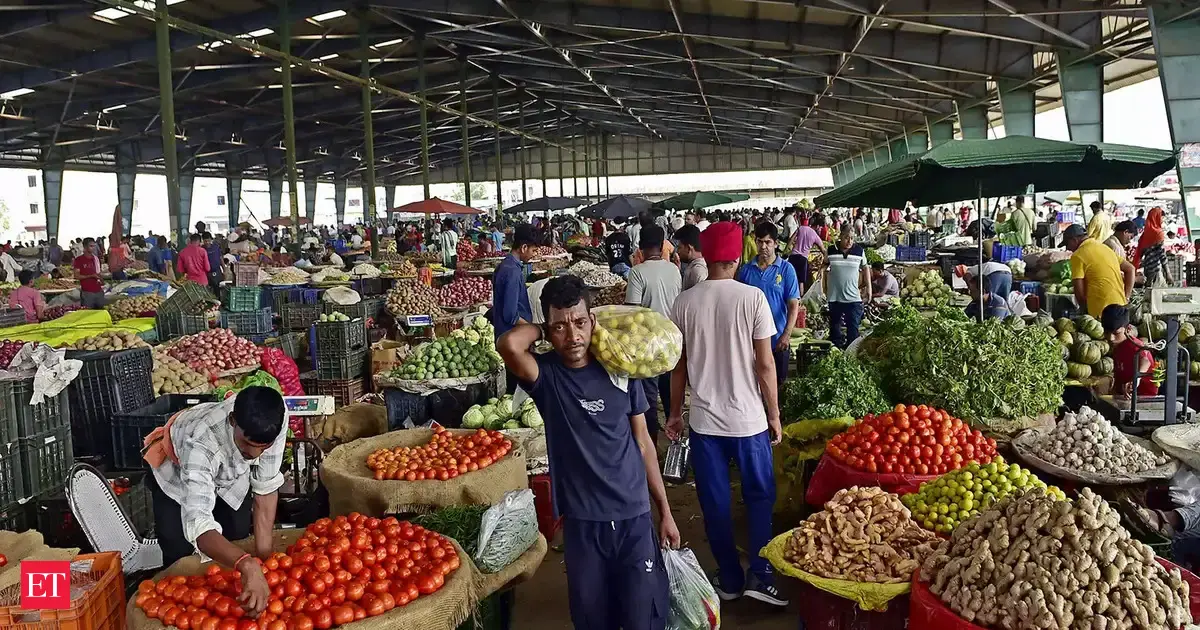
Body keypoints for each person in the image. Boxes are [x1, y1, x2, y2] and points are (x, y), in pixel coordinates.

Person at [498, 276, 678, 630]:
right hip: (584, 523)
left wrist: (665, 512)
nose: (573, 336)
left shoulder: (620, 370)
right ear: (549, 331)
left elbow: (643, 444)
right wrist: (544, 327)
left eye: (580, 322)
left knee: (643, 617)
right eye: (561, 327)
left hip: (634, 516)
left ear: (593, 320)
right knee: (593, 618)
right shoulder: (547, 378)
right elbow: (509, 344)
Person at [666, 221, 787, 608]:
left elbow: (678, 367)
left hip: (704, 423)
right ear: (737, 257)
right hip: (748, 420)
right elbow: (765, 366)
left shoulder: (684, 302)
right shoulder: (752, 298)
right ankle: (762, 576)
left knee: (714, 502)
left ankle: (730, 578)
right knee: (759, 496)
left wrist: (673, 413)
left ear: (705, 254)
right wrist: (774, 413)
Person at [144, 387, 286, 616]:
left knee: (236, 534)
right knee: (178, 549)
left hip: (231, 476)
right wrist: (247, 565)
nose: (255, 454)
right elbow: (199, 525)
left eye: (264, 447)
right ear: (232, 421)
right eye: (247, 444)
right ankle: (178, 609)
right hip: (181, 473)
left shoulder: (275, 417)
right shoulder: (201, 443)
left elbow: (265, 487)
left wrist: (265, 563)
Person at [625, 225, 682, 445]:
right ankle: (675, 438)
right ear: (662, 246)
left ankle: (652, 444)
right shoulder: (674, 270)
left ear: (640, 248)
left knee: (648, 398)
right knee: (671, 394)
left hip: (647, 345)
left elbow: (632, 311)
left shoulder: (637, 272)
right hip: (671, 341)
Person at [737, 222, 800, 385]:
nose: (763, 246)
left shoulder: (786, 270)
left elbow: (794, 305)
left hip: (778, 341)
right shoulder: (746, 270)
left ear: (776, 244)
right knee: (753, 386)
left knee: (778, 386)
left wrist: (786, 335)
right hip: (751, 343)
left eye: (768, 242)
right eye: (760, 242)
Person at [492, 224, 538, 390]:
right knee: (517, 386)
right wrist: (535, 329)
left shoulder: (506, 266)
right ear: (524, 247)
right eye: (533, 250)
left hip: (508, 337)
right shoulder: (512, 271)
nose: (534, 255)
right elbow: (510, 314)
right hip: (512, 338)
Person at [1064, 223, 1134, 318]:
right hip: (1120, 307)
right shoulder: (1105, 248)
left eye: (1067, 244)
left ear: (1074, 240)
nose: (1067, 248)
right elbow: (1130, 269)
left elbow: (1079, 292)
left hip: (1100, 310)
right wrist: (1127, 297)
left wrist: (1084, 311)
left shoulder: (1078, 255)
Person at [823, 227, 871, 349]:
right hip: (834, 297)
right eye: (846, 237)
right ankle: (836, 352)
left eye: (852, 238)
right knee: (834, 329)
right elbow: (824, 266)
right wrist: (824, 286)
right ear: (840, 236)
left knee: (853, 330)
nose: (849, 241)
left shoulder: (859, 251)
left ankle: (851, 354)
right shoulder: (831, 250)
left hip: (853, 298)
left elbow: (865, 268)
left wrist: (869, 288)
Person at [1101, 304, 1158, 398]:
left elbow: (1145, 361)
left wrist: (1136, 379)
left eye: (1116, 333)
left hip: (1144, 398)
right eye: (1107, 333)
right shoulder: (1117, 346)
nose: (1111, 338)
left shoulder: (1135, 345)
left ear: (1128, 329)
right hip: (1125, 397)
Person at [1132, 207, 1173, 287]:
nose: (1162, 220)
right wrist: (1168, 273)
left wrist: (1135, 268)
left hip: (1147, 270)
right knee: (1159, 295)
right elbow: (1162, 254)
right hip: (1156, 270)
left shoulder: (1145, 234)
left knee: (1150, 293)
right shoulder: (1159, 233)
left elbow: (1140, 253)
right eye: (1162, 217)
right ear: (1157, 217)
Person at [786, 221, 821, 294]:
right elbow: (823, 248)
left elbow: (791, 239)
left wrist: (786, 250)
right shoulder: (815, 235)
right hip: (803, 260)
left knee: (789, 279)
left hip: (793, 256)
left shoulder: (801, 228)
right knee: (801, 282)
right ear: (817, 226)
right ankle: (800, 300)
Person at [73, 237, 106, 309]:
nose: (93, 248)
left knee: (100, 312)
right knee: (87, 313)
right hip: (87, 292)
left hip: (99, 291)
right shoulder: (79, 260)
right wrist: (91, 276)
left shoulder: (96, 259)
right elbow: (76, 276)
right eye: (91, 246)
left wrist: (102, 281)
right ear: (85, 247)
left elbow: (98, 273)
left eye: (94, 246)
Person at [674, 225, 708, 290]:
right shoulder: (694, 267)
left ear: (689, 248)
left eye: (679, 248)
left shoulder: (698, 271)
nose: (678, 251)